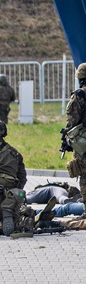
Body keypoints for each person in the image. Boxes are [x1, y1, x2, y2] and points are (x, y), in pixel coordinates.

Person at [63, 62, 86, 198]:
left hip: (84, 143)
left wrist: (68, 138)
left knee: (84, 174)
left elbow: (72, 120)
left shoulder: (80, 95)